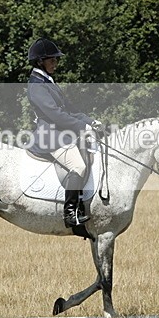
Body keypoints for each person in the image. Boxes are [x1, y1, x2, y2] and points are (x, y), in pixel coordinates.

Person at [26, 38, 105, 228]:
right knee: (78, 166)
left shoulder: (47, 81)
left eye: (56, 60)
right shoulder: (36, 84)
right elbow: (55, 114)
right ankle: (70, 213)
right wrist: (81, 127)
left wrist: (90, 121)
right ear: (40, 62)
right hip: (50, 137)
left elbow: (68, 109)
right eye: (52, 60)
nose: (55, 63)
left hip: (60, 133)